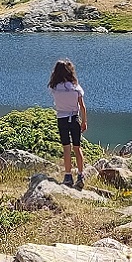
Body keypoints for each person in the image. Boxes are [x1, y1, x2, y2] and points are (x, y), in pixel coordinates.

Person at [48, 58, 87, 188]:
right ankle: (81, 175)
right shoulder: (76, 88)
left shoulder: (55, 88)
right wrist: (84, 121)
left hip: (62, 119)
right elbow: (82, 106)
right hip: (74, 118)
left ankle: (68, 175)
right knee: (77, 148)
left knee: (66, 148)